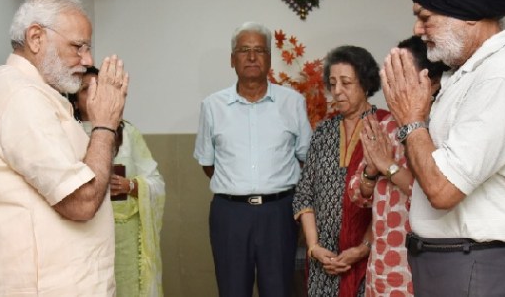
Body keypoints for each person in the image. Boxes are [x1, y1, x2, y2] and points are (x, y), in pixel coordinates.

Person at [381, 0, 505, 296]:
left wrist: (411, 121)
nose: (418, 30)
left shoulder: (501, 75)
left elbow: (443, 189)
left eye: (425, 17)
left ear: (466, 15)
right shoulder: (466, 74)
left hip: (477, 267)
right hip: (453, 263)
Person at [0, 0, 128, 295]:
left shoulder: (39, 95)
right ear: (36, 38)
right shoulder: (21, 98)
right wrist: (104, 125)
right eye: (78, 47)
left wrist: (107, 123)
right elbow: (82, 202)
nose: (87, 61)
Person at [194, 21, 312, 297]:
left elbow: (306, 158)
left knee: (279, 290)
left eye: (259, 50)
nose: (251, 57)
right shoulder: (212, 106)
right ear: (232, 59)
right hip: (230, 215)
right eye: (244, 50)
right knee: (232, 290)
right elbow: (208, 163)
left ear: (269, 59)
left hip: (280, 213)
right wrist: (241, 187)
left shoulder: (292, 102)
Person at [346, 36, 449, 297]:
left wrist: (388, 167)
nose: (391, 85)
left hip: (419, 266)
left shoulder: (441, 126)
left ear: (432, 81)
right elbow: (357, 195)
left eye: (401, 76)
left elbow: (438, 197)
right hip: (381, 264)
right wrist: (371, 171)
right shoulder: (386, 124)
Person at [292, 45, 382, 297]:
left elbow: (390, 200)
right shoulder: (323, 131)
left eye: (346, 82)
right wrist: (314, 247)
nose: (337, 91)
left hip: (370, 257)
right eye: (332, 84)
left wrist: (363, 248)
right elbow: (304, 195)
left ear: (365, 83)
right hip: (324, 261)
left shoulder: (385, 127)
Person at [70, 66, 166, 297]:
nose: (95, 95)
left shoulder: (128, 133)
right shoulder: (67, 132)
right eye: (86, 90)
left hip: (126, 237)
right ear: (73, 101)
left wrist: (132, 186)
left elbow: (156, 181)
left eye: (100, 88)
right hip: (85, 236)